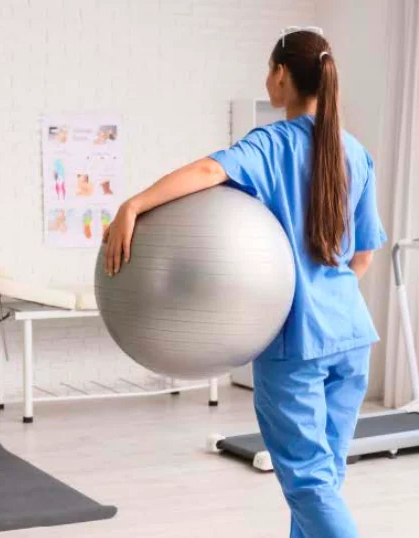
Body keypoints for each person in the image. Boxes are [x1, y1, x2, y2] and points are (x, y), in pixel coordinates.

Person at [102, 27, 386, 538]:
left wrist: (134, 205)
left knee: (310, 485)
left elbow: (210, 170)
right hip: (350, 337)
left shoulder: (270, 144)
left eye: (267, 69)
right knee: (324, 481)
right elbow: (363, 255)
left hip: (293, 341)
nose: (265, 78)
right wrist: (327, 295)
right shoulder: (355, 152)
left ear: (281, 74)